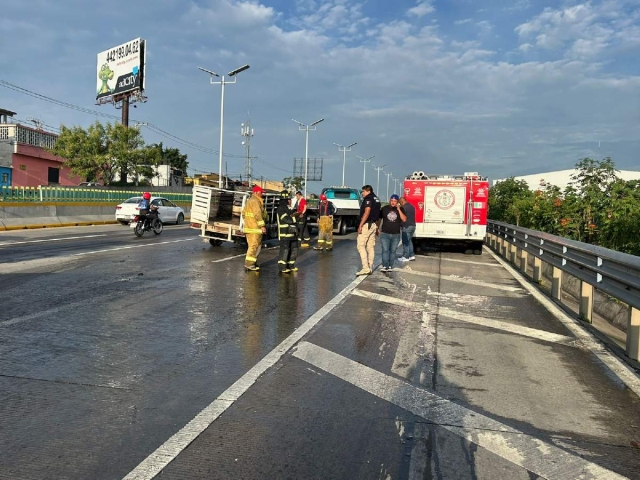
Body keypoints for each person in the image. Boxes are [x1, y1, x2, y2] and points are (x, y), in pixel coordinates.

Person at [356, 185, 381, 276]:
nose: (362, 193)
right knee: (370, 247)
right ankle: (370, 266)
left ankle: (365, 268)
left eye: (363, 191)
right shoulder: (377, 199)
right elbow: (378, 214)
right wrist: (377, 227)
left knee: (360, 245)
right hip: (373, 224)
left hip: (367, 224)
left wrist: (361, 225)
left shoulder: (368, 199)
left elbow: (367, 212)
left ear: (367, 191)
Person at [378, 194, 407, 272]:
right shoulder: (384, 209)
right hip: (385, 233)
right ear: (389, 201)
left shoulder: (401, 209)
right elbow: (379, 219)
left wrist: (399, 209)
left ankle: (390, 265)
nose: (393, 202)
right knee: (385, 250)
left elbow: (404, 219)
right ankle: (385, 265)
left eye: (395, 201)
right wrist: (377, 228)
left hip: (396, 234)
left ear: (397, 202)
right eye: (392, 200)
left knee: (393, 251)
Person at [242, 185, 267, 271]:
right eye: (261, 192)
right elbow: (257, 214)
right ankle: (249, 264)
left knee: (254, 246)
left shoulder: (250, 201)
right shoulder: (255, 201)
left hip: (250, 228)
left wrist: (249, 222)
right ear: (256, 192)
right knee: (254, 246)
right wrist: (262, 226)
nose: (262, 194)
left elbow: (243, 214)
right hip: (255, 229)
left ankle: (252, 263)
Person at [277, 190, 299, 273]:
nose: (290, 201)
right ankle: (282, 267)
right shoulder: (281, 209)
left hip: (293, 233)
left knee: (294, 249)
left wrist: (296, 215)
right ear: (285, 200)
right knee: (285, 249)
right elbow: (286, 219)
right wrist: (295, 218)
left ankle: (291, 265)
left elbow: (292, 218)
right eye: (288, 199)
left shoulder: (289, 209)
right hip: (285, 234)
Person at [399, 196, 416, 262]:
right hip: (412, 226)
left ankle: (406, 256)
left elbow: (402, 217)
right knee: (409, 241)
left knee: (405, 241)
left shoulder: (404, 208)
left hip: (406, 226)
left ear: (402, 201)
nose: (400, 204)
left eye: (400, 203)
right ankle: (412, 255)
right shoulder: (412, 206)